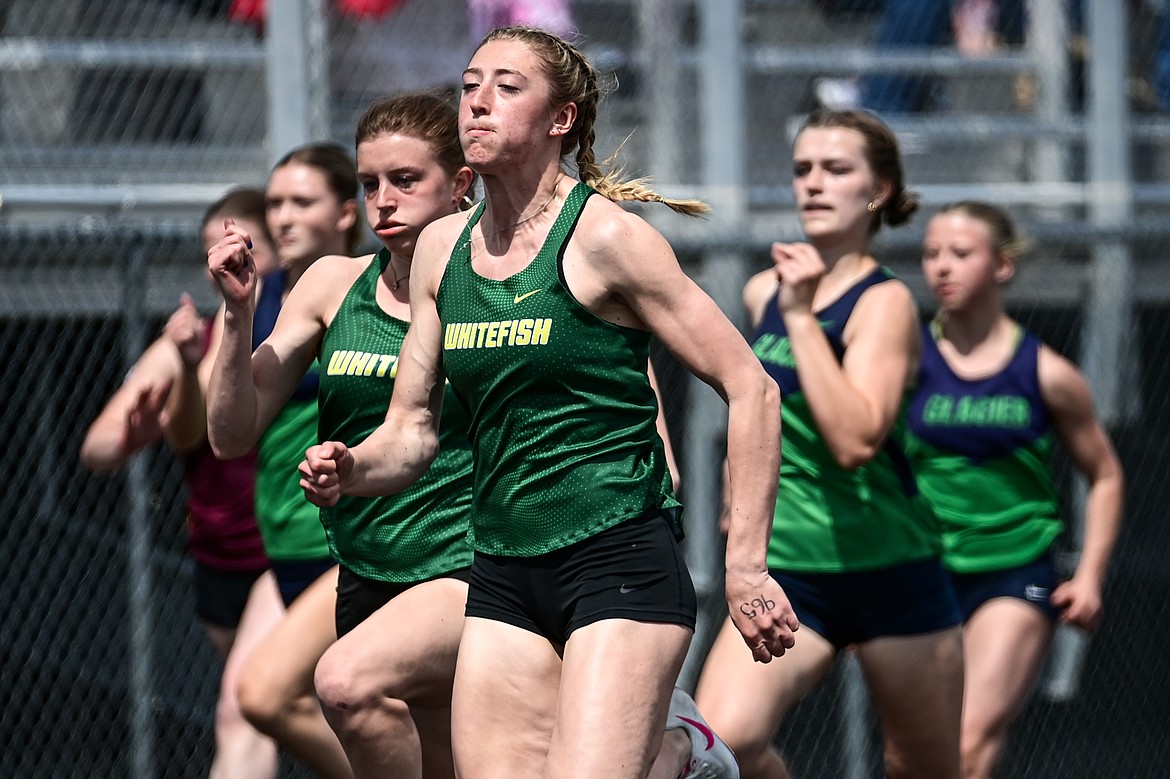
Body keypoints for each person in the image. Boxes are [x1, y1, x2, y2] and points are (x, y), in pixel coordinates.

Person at [296, 24, 798, 779]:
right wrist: (351, 464)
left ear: (560, 119)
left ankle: (677, 751)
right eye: (469, 86)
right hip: (500, 567)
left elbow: (752, 386)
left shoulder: (606, 240)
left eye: (506, 87)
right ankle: (669, 760)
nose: (477, 103)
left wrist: (747, 568)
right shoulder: (442, 249)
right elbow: (411, 429)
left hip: (616, 558)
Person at [209, 90, 477, 779]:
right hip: (364, 567)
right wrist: (237, 320)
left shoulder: (495, 286)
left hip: (466, 565)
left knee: (345, 683)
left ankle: (676, 743)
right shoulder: (333, 283)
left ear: (462, 185)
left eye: (406, 180)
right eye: (370, 183)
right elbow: (231, 434)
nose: (384, 199)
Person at [694, 108, 965, 779]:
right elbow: (752, 410)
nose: (813, 184)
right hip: (792, 572)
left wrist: (801, 316)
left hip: (893, 573)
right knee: (720, 745)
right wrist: (738, 498)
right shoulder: (763, 289)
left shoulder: (885, 303)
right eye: (803, 169)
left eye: (836, 170)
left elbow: (853, 439)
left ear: (877, 192)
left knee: (921, 766)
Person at [907, 201, 1125, 779]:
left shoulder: (1047, 372)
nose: (941, 268)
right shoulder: (903, 363)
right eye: (930, 254)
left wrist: (1090, 577)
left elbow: (1104, 474)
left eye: (960, 253)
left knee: (969, 738)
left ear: (1002, 266)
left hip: (1014, 569)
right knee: (911, 758)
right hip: (921, 570)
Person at [80, 187, 284, 779]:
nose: (228, 256)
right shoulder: (187, 341)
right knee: (266, 714)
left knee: (242, 711)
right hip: (221, 561)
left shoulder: (298, 330)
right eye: (214, 247)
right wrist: (132, 435)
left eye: (242, 244)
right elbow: (98, 446)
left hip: (292, 552)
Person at [207, 142, 363, 779]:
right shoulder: (258, 295)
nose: (285, 217)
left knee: (274, 696)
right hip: (281, 550)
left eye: (303, 201)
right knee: (239, 711)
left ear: (346, 214)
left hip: (343, 544)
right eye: (275, 203)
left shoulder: (373, 294)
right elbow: (219, 427)